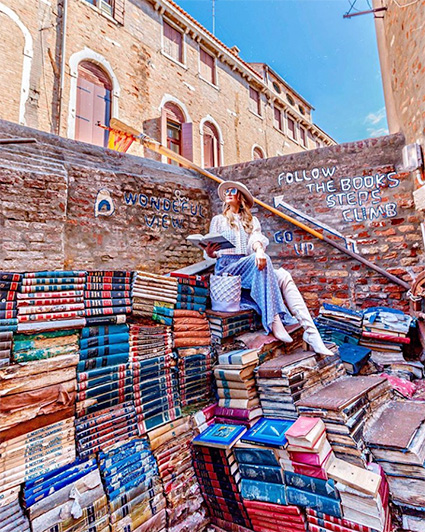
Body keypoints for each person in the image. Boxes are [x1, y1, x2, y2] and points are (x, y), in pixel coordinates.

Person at [205, 180, 332, 356]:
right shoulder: (218, 220)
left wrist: (258, 251)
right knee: (261, 262)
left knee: (284, 275)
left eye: (232, 190)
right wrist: (210, 253)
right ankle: (274, 319)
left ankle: (312, 334)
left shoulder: (251, 221)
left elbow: (256, 238)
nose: (228, 193)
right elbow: (210, 253)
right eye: (226, 191)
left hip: (249, 268)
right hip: (227, 270)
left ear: (240, 196)